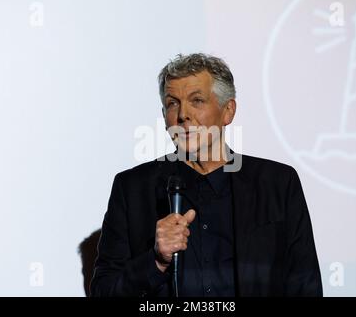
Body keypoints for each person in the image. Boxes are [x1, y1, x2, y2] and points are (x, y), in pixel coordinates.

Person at [90, 53, 322, 297]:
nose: (183, 115)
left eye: (197, 100)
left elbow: (306, 287)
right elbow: (103, 292)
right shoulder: (132, 189)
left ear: (228, 111)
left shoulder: (277, 184)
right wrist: (156, 261)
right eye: (172, 103)